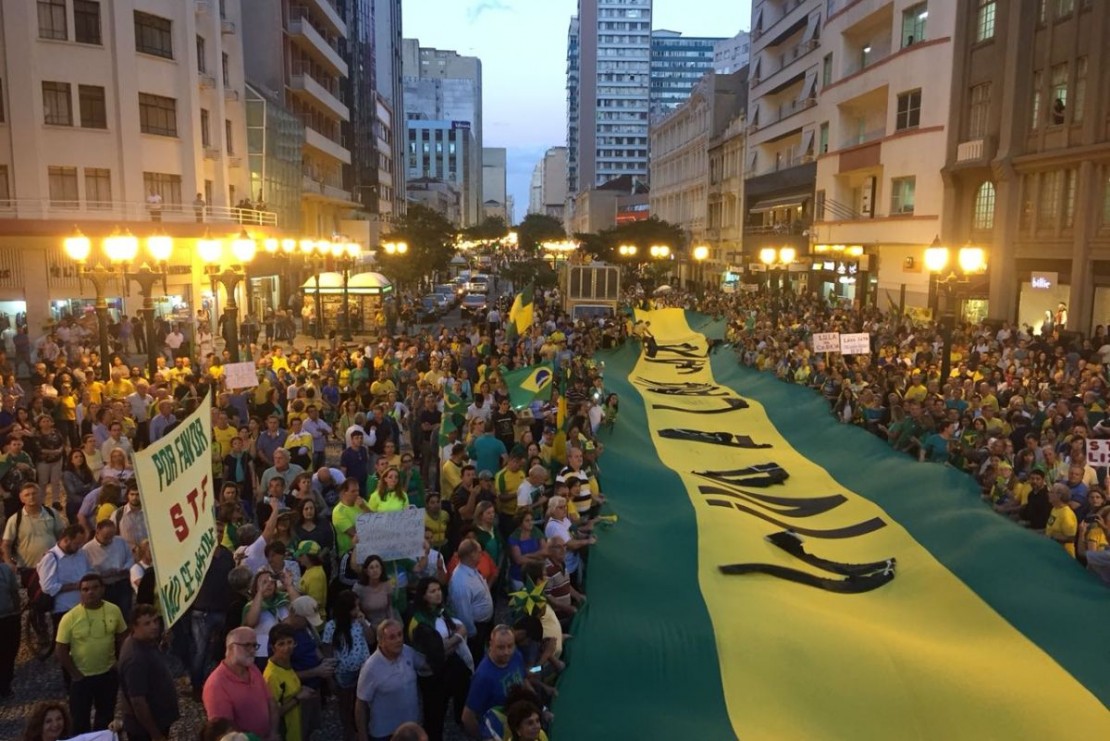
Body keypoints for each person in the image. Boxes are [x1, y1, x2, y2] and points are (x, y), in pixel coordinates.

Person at [54, 572, 128, 734]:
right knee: (79, 720)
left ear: (102, 589)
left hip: (107, 674)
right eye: (85, 589)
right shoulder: (70, 617)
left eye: (95, 588)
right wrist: (75, 674)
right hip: (82, 678)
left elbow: (123, 635)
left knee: (106, 716)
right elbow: (60, 649)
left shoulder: (114, 610)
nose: (90, 592)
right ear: (80, 592)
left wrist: (119, 660)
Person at [407, 577, 473, 741]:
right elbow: (436, 652)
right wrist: (458, 637)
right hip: (430, 674)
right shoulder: (419, 622)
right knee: (434, 714)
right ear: (423, 596)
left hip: (445, 667)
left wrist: (449, 643)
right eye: (432, 591)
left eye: (439, 590)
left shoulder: (440, 609)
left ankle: (460, 716)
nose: (438, 594)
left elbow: (454, 633)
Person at [355, 619, 427, 741]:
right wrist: (362, 736)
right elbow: (361, 704)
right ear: (381, 641)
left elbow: (426, 665)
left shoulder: (408, 652)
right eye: (392, 637)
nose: (398, 640)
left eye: (400, 634)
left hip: (410, 728)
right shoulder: (371, 667)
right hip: (385, 733)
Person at [203, 626, 280, 740]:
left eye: (254, 645)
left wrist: (273, 733)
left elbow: (270, 702)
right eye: (247, 645)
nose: (252, 650)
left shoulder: (252, 668)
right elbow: (226, 734)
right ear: (230, 647)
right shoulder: (216, 685)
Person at [118, 604, 180, 741]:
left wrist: (163, 643)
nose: (154, 626)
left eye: (156, 621)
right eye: (147, 623)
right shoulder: (134, 659)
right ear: (134, 626)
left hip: (159, 720)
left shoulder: (145, 641)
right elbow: (138, 701)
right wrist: (155, 734)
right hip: (144, 730)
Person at [322, 590, 374, 741]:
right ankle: (349, 732)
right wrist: (329, 678)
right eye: (354, 607)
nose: (357, 610)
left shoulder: (360, 621)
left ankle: (364, 730)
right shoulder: (332, 626)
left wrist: (364, 622)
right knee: (345, 705)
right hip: (343, 673)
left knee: (364, 703)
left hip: (364, 671)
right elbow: (328, 652)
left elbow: (371, 640)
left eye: (358, 606)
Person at [461, 625, 528, 738]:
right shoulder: (483, 676)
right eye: (501, 647)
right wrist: (483, 737)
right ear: (491, 645)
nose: (507, 652)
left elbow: (524, 680)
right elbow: (467, 717)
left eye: (510, 646)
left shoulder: (516, 655)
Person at [264, 622, 315, 741]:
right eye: (281, 644)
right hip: (286, 733)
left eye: (290, 642)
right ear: (273, 647)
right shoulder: (271, 676)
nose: (287, 648)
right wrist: (298, 698)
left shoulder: (286, 663)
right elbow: (273, 713)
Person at [448, 539, 494, 661]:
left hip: (483, 625)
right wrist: (472, 633)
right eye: (479, 552)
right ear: (472, 554)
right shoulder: (461, 581)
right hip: (475, 629)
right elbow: (463, 611)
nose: (482, 554)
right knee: (476, 656)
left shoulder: (471, 570)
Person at [82, 519, 135, 619]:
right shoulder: (87, 549)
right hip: (104, 586)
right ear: (97, 532)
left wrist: (125, 568)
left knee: (125, 613)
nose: (110, 540)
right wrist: (101, 574)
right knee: (108, 616)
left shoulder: (120, 541)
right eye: (106, 537)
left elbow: (130, 558)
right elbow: (86, 571)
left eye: (112, 536)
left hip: (122, 583)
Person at [0, 554, 20, 698]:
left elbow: (14, 592)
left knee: (9, 653)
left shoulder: (5, 570)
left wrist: (17, 613)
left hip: (8, 617)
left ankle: (5, 685)